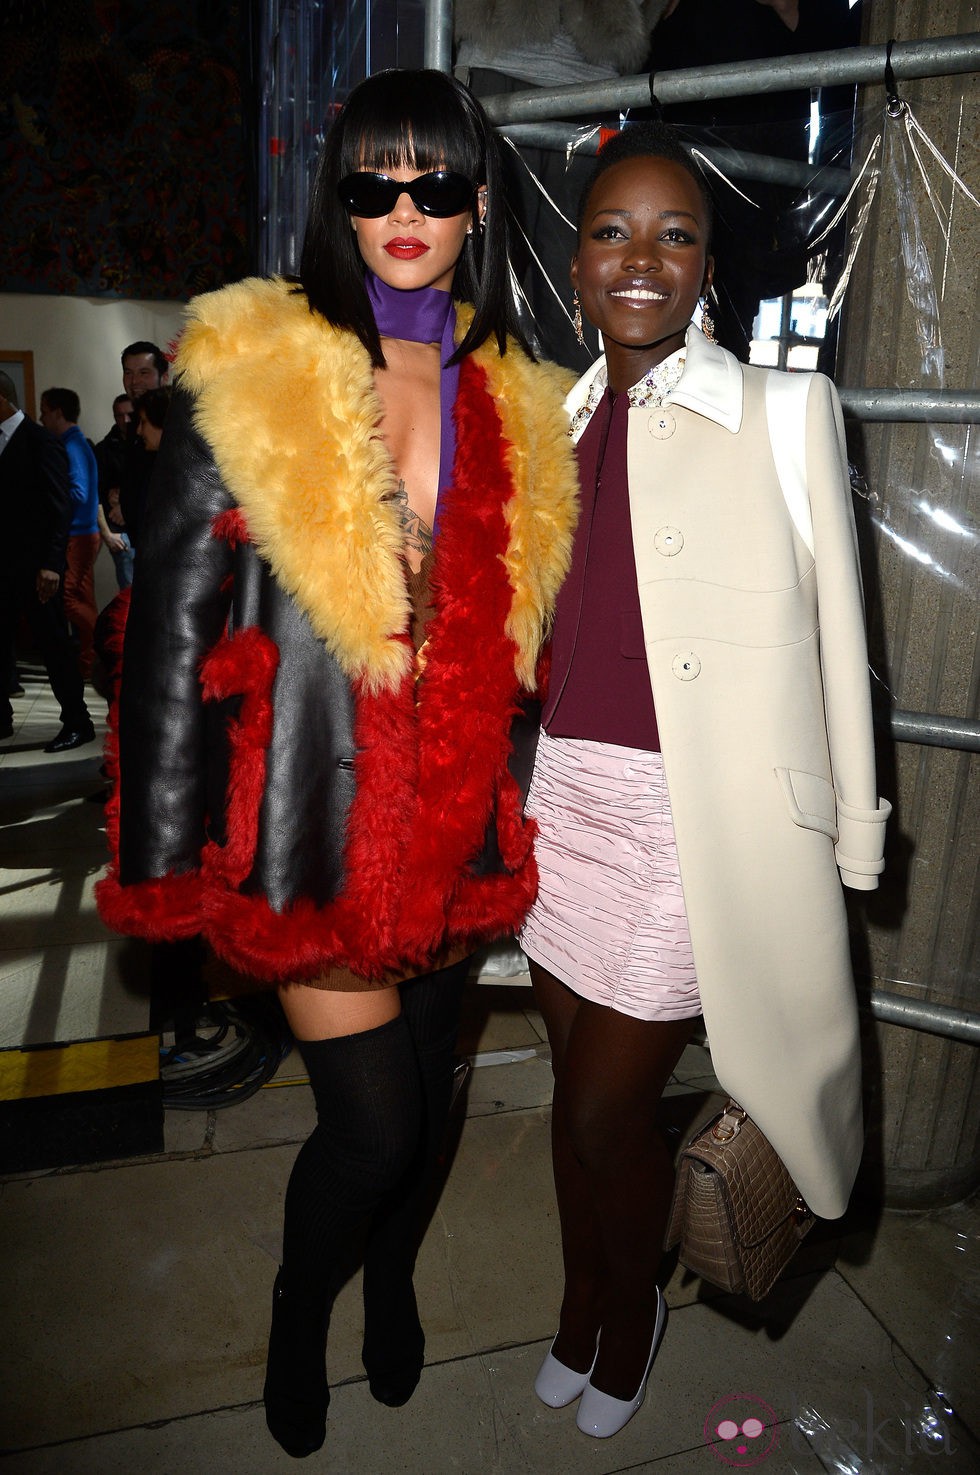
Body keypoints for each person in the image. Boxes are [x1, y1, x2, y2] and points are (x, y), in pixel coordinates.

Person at [95, 68, 578, 1461]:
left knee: (427, 1116)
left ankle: (395, 1277)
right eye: (375, 183)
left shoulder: (515, 401)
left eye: (436, 182)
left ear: (479, 200)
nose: (407, 209)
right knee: (369, 1130)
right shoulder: (253, 375)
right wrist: (161, 867)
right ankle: (304, 1305)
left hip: (456, 827)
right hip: (302, 815)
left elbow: (528, 639)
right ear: (339, 199)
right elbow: (166, 635)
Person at [520, 122, 890, 1439]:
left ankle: (632, 1315)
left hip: (700, 826)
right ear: (576, 266)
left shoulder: (785, 411)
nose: (641, 258)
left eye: (674, 234)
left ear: (706, 270)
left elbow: (842, 633)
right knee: (576, 1111)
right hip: (563, 800)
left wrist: (854, 839)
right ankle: (581, 1302)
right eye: (612, 231)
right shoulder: (548, 421)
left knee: (601, 1102)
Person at [0, 372, 95, 751]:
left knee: (54, 647)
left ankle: (77, 721)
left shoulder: (41, 442)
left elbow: (60, 507)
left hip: (37, 569)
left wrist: (53, 563)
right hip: (3, 569)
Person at [39, 387, 101, 680]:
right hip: (83, 533)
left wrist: (49, 496)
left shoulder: (72, 445)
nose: (41, 417)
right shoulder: (74, 442)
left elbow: (79, 492)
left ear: (58, 413)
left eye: (45, 411)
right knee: (81, 599)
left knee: (70, 600)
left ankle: (102, 650)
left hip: (77, 534)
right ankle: (91, 661)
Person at [118, 340, 170, 550]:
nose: (134, 381)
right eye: (128, 373)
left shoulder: (177, 425)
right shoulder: (133, 426)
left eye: (144, 373)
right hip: (141, 546)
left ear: (164, 377)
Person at [95, 393, 135, 589]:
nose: (125, 420)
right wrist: (108, 533)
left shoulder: (147, 442)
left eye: (129, 414)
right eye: (119, 415)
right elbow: (95, 494)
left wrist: (124, 496)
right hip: (120, 532)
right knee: (129, 594)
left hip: (146, 529)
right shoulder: (104, 449)